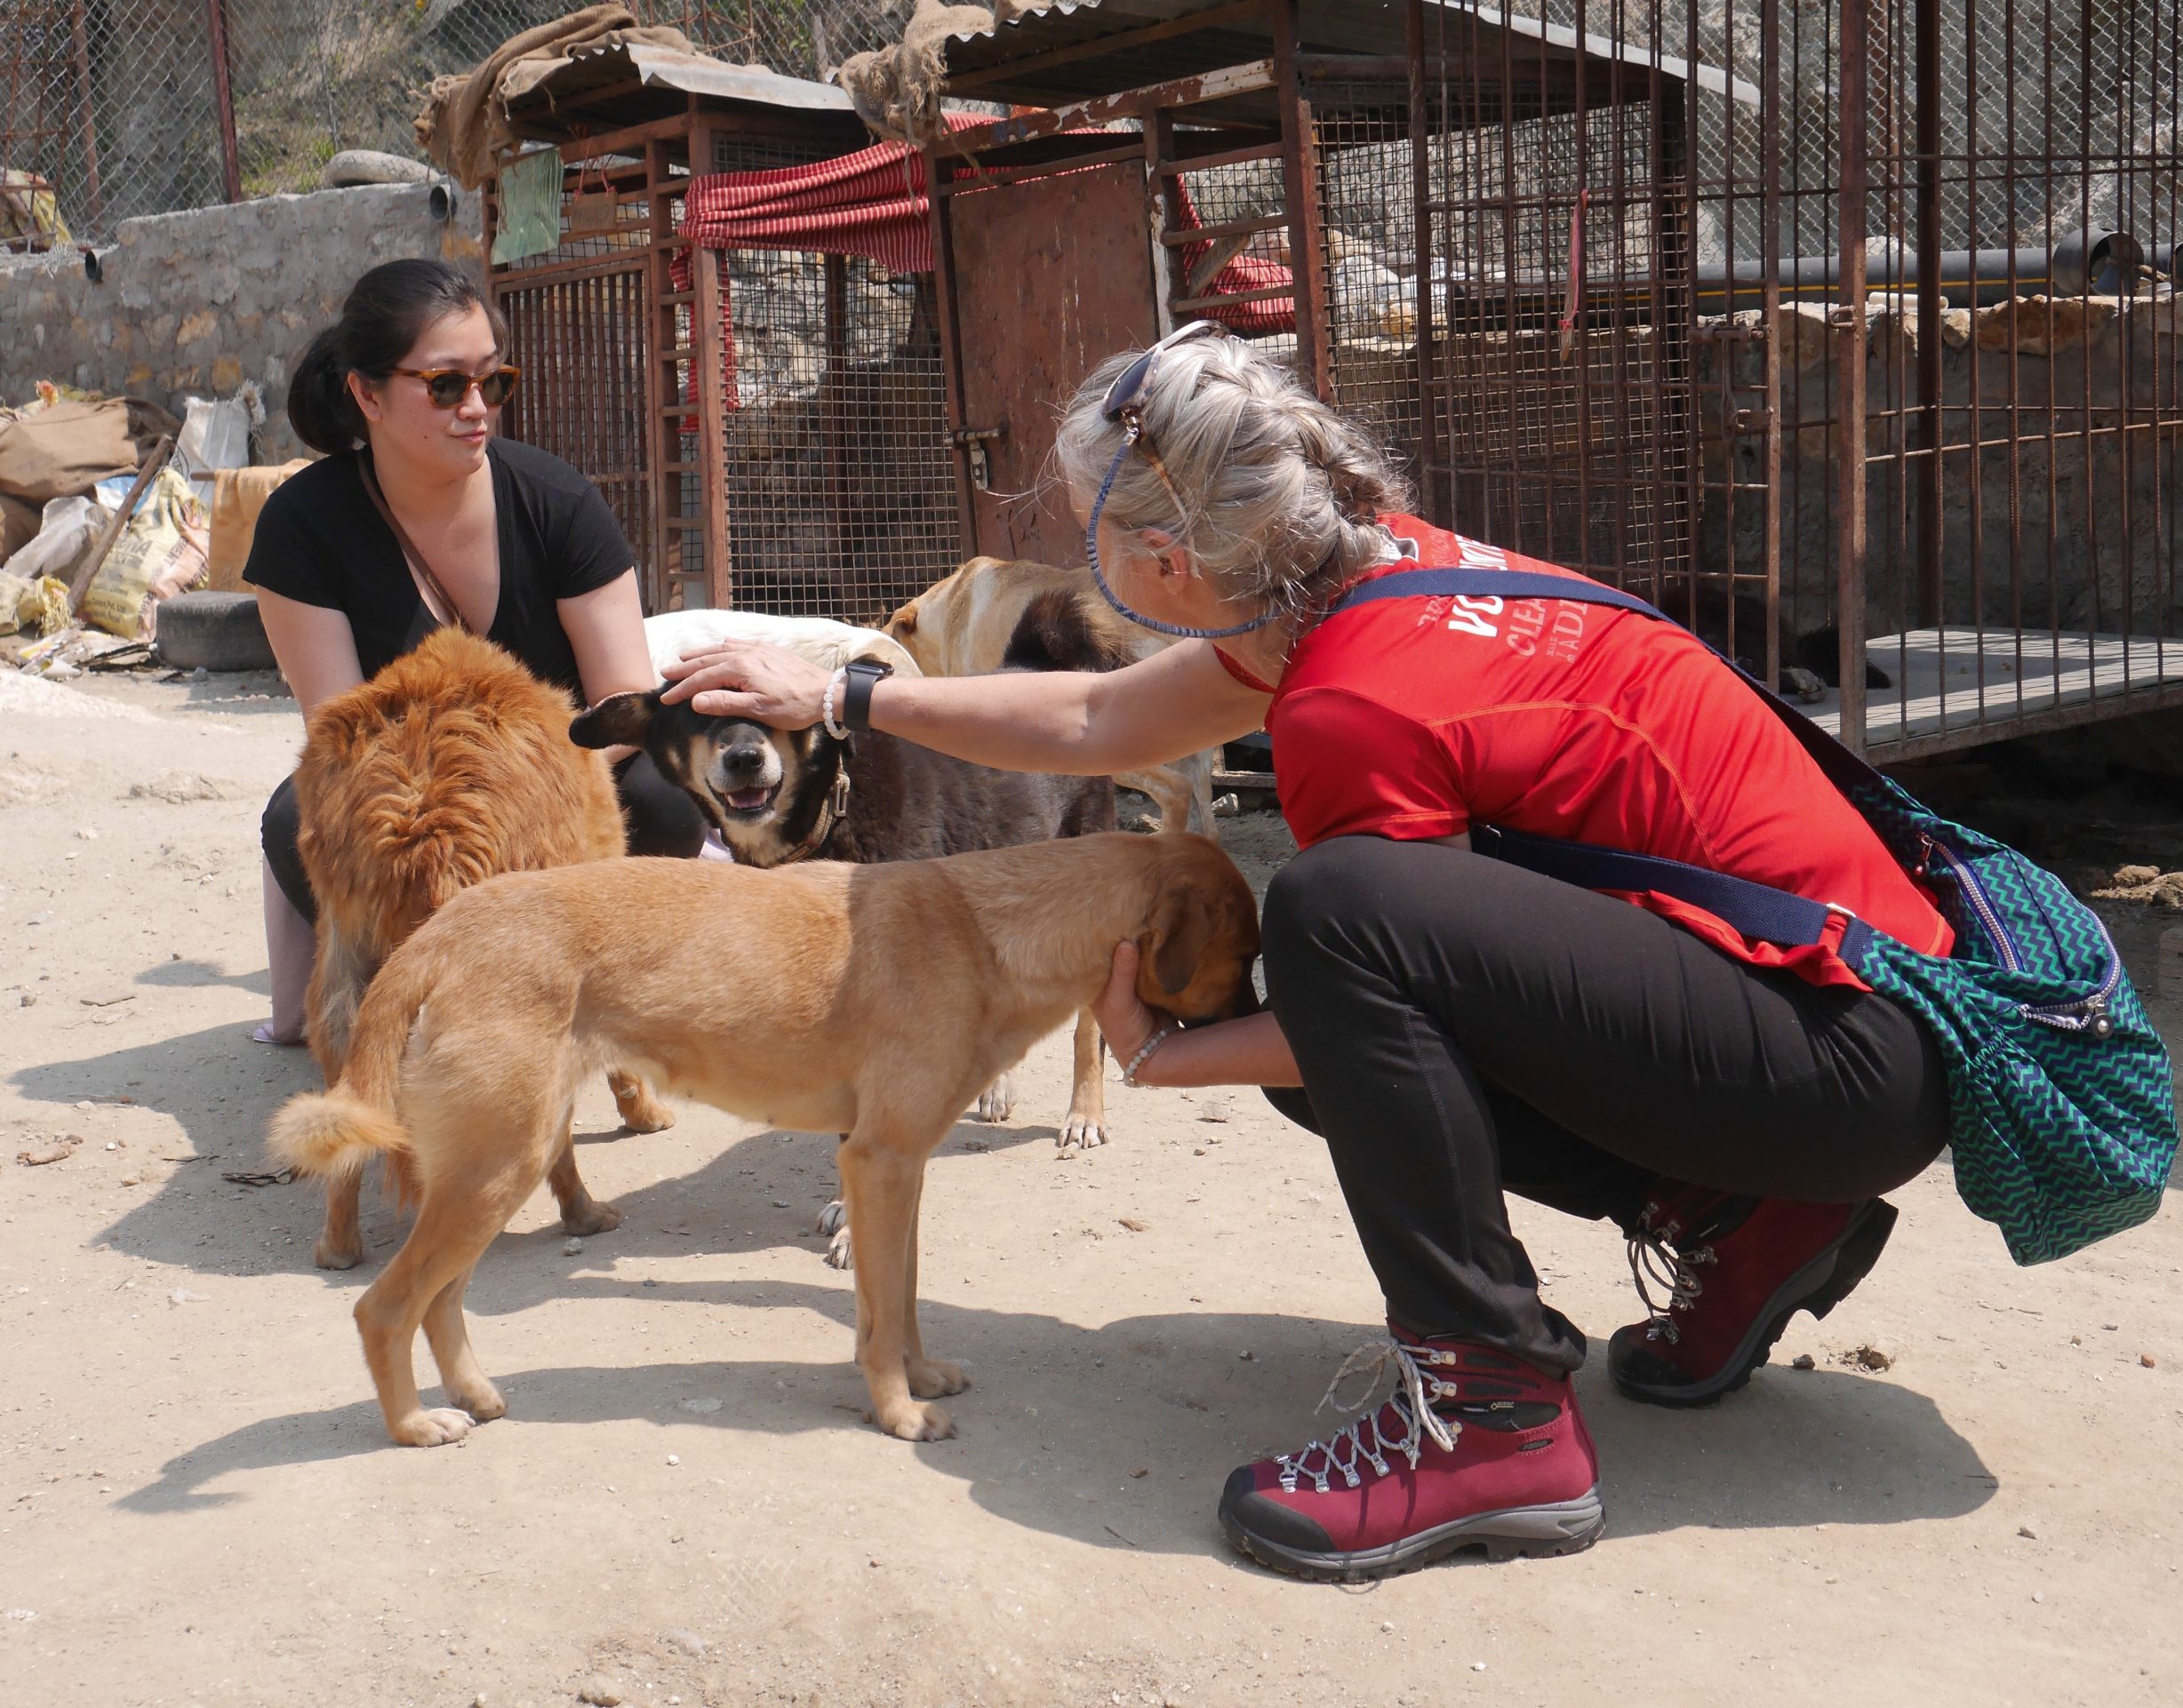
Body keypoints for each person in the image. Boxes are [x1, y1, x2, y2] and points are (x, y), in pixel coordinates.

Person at [660, 321, 1954, 1582]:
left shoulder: (1348, 703)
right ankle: (1740, 1218)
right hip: (1861, 1017)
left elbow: (1379, 1005)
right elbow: (1100, 711)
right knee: (1332, 985)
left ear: (1165, 560)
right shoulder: (1388, 578)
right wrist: (844, 693)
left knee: (1332, 922)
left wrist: (1175, 1055)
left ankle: (1487, 1408)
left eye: (1089, 533)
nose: (1083, 558)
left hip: (1839, 1053)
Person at [244, 259, 705, 1043]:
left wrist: (523, 815)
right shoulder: (301, 527)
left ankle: (575, 987)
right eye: (446, 385)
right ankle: (436, 989)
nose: (478, 409)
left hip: (559, 802)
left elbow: (626, 713)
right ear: (367, 395)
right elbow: (344, 739)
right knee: (299, 814)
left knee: (667, 801)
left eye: (493, 380)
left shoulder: (558, 502)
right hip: (420, 812)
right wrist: (464, 825)